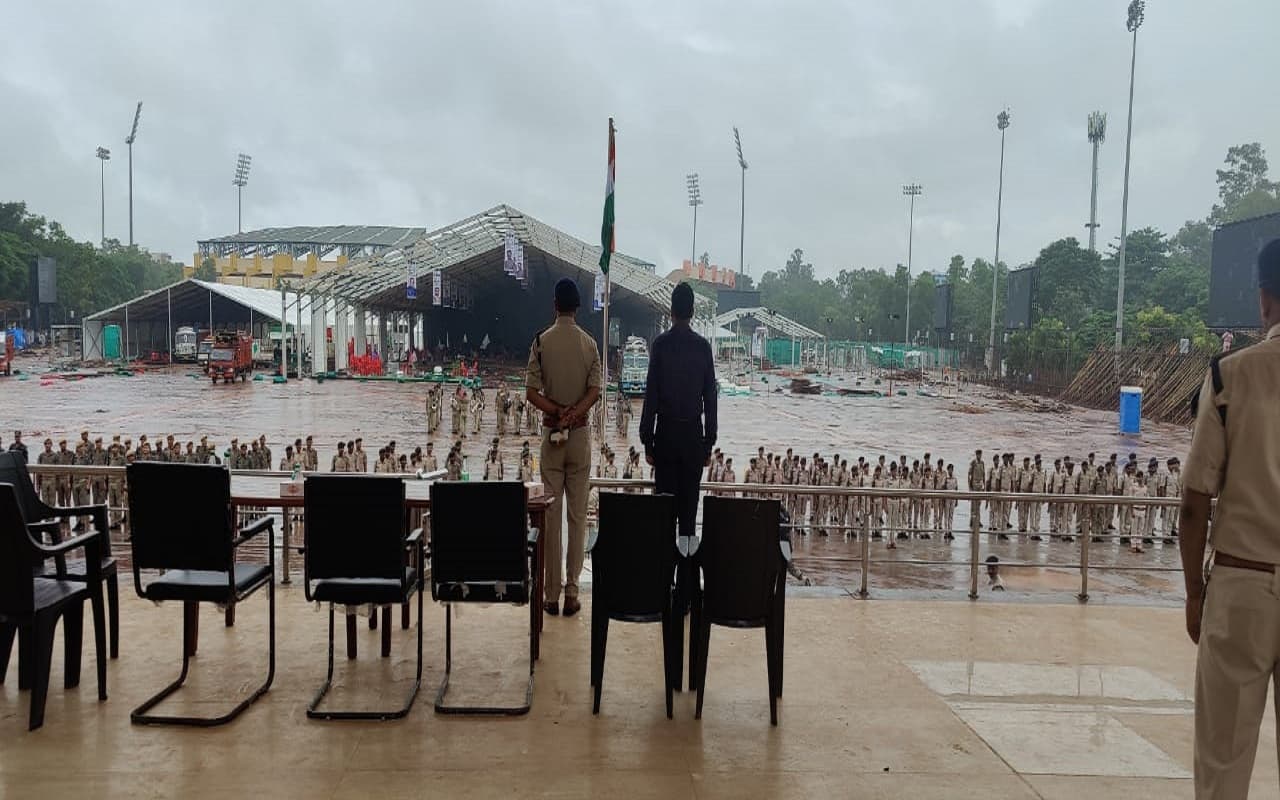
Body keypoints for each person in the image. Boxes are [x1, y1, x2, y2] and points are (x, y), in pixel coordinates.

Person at [1180, 238, 1280, 797]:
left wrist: (1195, 593)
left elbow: (1195, 502)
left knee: (1223, 764)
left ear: (1264, 301)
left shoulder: (1228, 377)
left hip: (1241, 587)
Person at [525, 277, 601, 618]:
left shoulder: (541, 341)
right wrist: (574, 413)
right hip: (580, 437)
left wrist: (556, 412)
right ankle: (572, 591)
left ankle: (550, 594)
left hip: (552, 438)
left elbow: (530, 392)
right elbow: (595, 391)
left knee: (551, 519)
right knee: (578, 517)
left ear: (554, 304)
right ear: (578, 307)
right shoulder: (590, 345)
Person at [639, 282, 717, 548]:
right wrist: (708, 444)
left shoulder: (660, 346)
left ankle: (664, 582)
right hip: (693, 438)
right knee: (688, 517)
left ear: (671, 311)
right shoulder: (703, 348)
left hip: (666, 438)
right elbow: (711, 401)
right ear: (692, 311)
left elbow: (651, 398)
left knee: (665, 516)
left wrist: (647, 441)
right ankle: (687, 583)